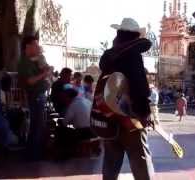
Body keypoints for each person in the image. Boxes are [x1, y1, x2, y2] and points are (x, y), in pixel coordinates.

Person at [98, 18, 154, 180]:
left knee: (111, 160)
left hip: (109, 115)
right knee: (140, 158)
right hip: (130, 118)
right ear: (135, 36)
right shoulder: (133, 56)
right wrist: (145, 113)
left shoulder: (108, 57)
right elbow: (140, 88)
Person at [18, 36, 50, 160]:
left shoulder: (34, 60)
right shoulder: (24, 62)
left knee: (38, 124)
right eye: (35, 45)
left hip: (39, 95)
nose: (37, 47)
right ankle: (33, 154)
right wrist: (44, 74)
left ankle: (33, 153)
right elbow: (30, 81)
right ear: (28, 46)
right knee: (37, 125)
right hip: (35, 95)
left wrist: (45, 68)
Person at [55, 88, 95, 158]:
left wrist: (59, 121)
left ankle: (64, 154)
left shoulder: (73, 104)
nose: (63, 100)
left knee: (60, 130)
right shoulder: (86, 101)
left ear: (68, 97)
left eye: (64, 98)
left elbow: (65, 123)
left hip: (84, 132)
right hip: (94, 131)